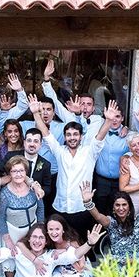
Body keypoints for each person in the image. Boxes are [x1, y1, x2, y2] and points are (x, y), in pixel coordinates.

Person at [31, 94, 111, 240]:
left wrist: (109, 120)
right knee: (59, 243)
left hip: (82, 208)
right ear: (65, 137)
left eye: (75, 134)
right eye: (68, 135)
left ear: (81, 137)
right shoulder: (60, 151)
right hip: (60, 207)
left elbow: (100, 136)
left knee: (81, 244)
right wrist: (36, 113)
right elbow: (46, 134)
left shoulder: (89, 152)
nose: (72, 137)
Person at [80, 182, 139, 268]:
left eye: (124, 205)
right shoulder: (112, 223)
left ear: (129, 207)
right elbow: (98, 217)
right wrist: (87, 202)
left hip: (137, 266)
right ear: (113, 208)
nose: (121, 208)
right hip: (116, 265)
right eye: (117, 205)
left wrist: (123, 261)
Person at [0, 156, 44, 277]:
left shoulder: (33, 189)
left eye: (21, 171)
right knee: (11, 260)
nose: (18, 174)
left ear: (26, 172)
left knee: (31, 258)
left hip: (32, 229)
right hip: (13, 231)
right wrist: (8, 240)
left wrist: (40, 229)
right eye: (14, 171)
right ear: (10, 174)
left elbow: (40, 209)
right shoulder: (4, 194)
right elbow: (1, 217)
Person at [0, 90, 24, 168]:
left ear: (20, 132)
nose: (13, 134)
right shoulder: (0, 144)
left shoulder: (24, 145)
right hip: (2, 179)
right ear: (5, 133)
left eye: (16, 131)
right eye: (9, 131)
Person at [119, 132, 139, 217]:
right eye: (133, 145)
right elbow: (122, 188)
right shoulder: (127, 164)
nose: (138, 147)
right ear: (130, 149)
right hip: (133, 203)